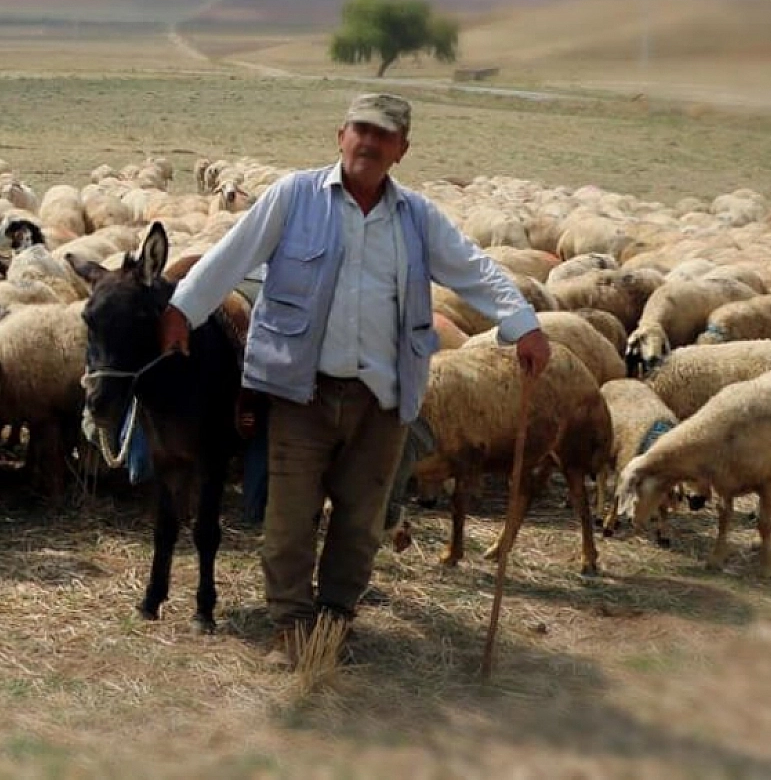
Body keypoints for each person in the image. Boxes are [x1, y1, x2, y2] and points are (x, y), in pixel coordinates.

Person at [158, 93, 550, 669]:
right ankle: (291, 625)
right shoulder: (294, 197)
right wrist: (180, 311)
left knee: (361, 518)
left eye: (384, 135)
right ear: (340, 135)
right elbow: (230, 255)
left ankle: (337, 617)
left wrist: (522, 325)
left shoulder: (417, 217)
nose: (369, 142)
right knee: (289, 517)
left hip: (383, 395)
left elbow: (475, 269)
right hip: (303, 390)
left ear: (402, 149)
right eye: (361, 130)